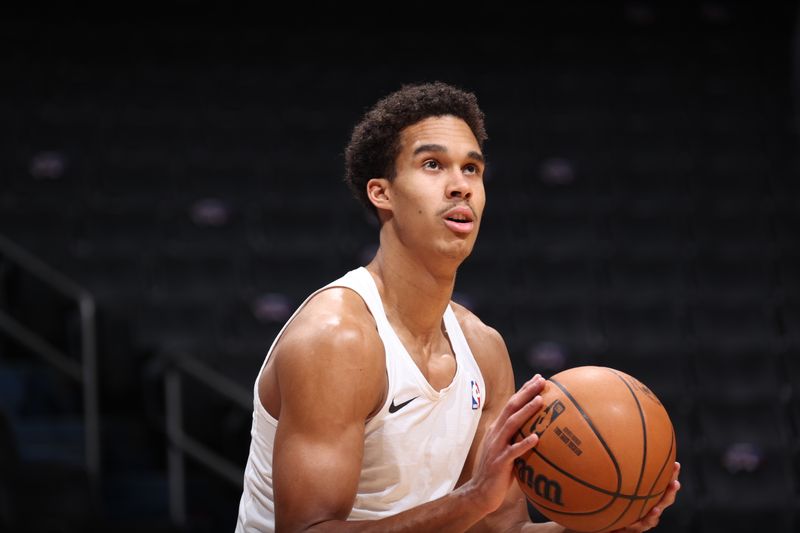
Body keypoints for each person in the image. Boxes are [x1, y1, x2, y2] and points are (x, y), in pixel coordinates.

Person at [235, 81, 680, 532]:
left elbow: (502, 528)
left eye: (472, 169)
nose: (460, 186)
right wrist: (468, 503)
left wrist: (602, 525)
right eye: (433, 165)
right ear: (381, 193)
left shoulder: (483, 350)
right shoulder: (337, 338)